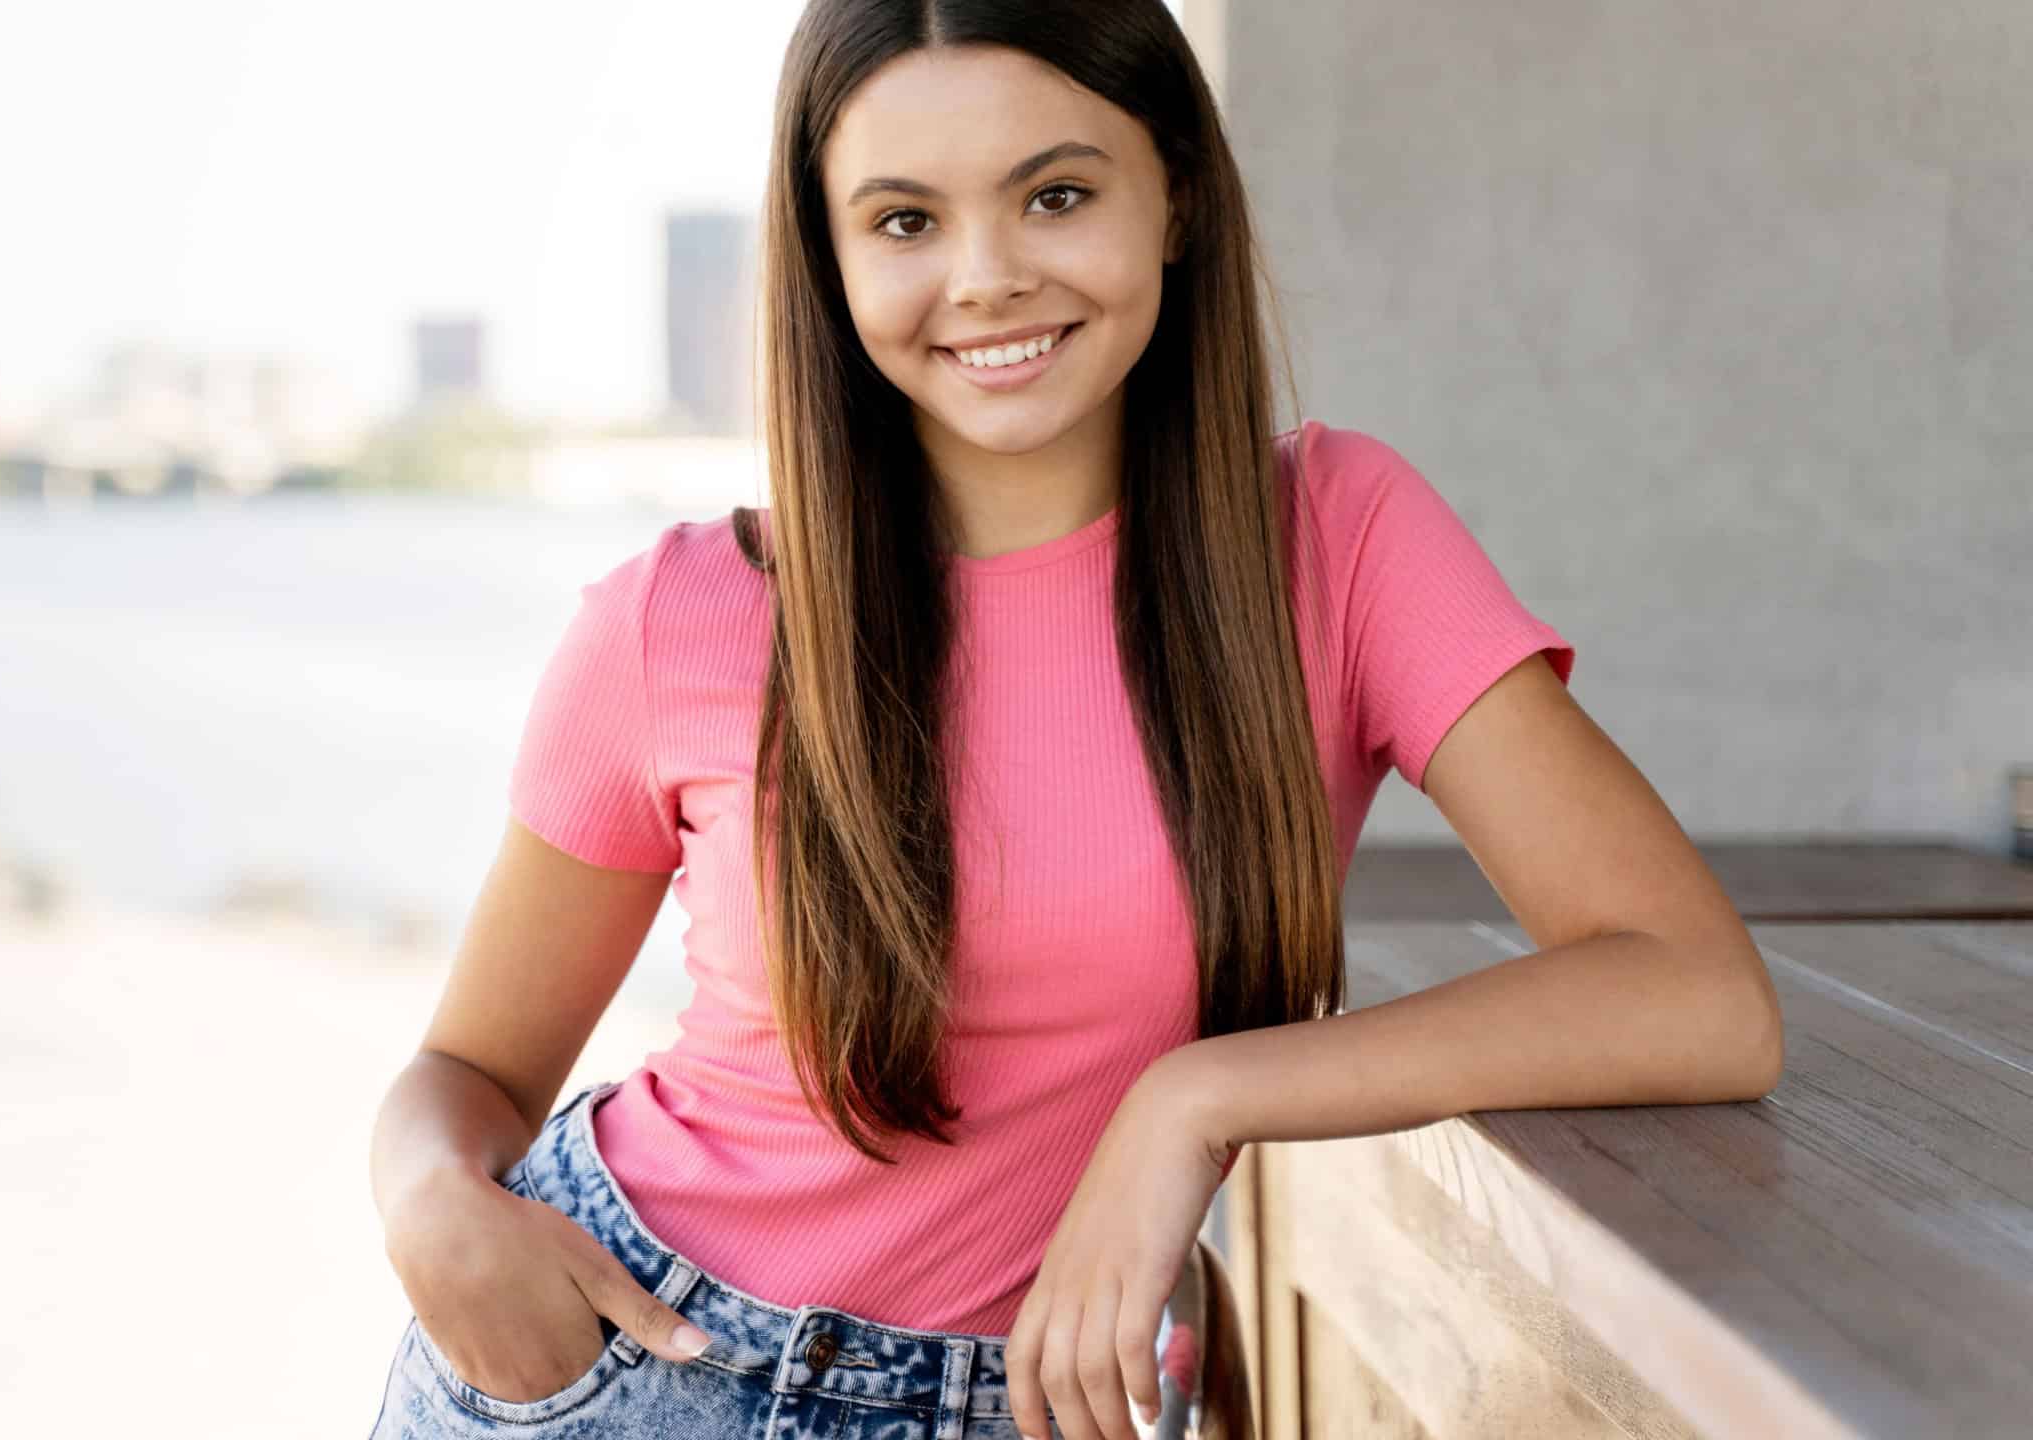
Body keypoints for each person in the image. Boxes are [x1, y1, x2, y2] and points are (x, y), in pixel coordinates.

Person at [366, 3, 1785, 1438]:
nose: (984, 279)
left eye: (1055, 195)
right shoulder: (678, 616)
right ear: (831, 256)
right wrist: (430, 1204)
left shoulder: (1339, 539)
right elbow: (469, 1074)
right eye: (905, 221)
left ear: (1169, 195)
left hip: (1037, 1402)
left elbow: (1694, 993)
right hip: (628, 1368)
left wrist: (1196, 1101)